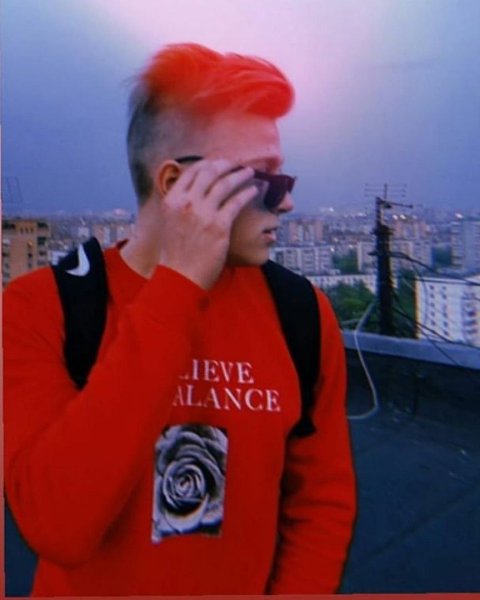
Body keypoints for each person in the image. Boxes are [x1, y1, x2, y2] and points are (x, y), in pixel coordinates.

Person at [3, 43, 356, 596]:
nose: (286, 203)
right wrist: (178, 287)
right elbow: (57, 526)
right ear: (173, 185)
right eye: (264, 181)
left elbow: (320, 501)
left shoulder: (302, 314)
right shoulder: (40, 308)